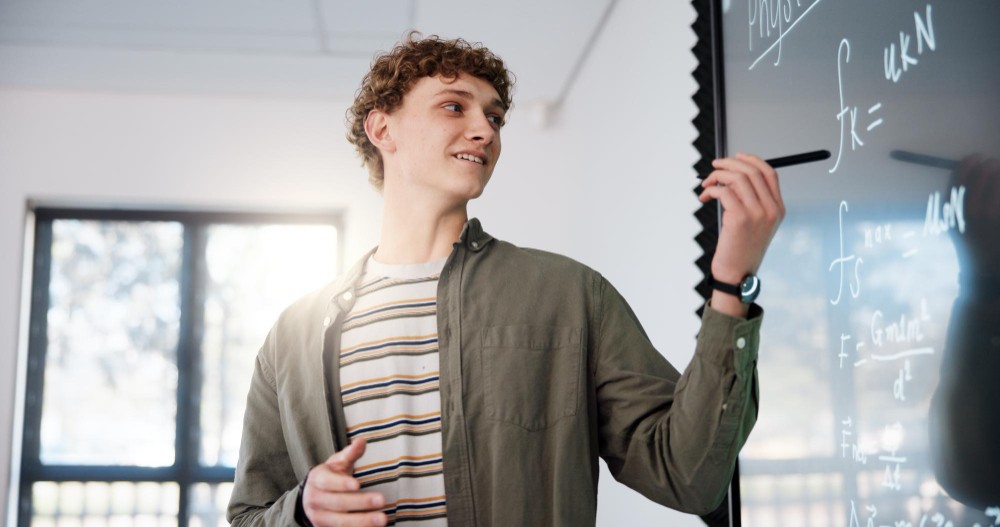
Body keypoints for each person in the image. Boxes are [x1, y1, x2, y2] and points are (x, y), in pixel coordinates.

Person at [227, 32, 784, 527]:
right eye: (454, 106)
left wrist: (731, 280)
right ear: (382, 127)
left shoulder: (570, 295)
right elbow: (249, 515)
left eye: (494, 118)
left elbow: (687, 473)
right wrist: (302, 511)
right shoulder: (292, 336)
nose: (484, 131)